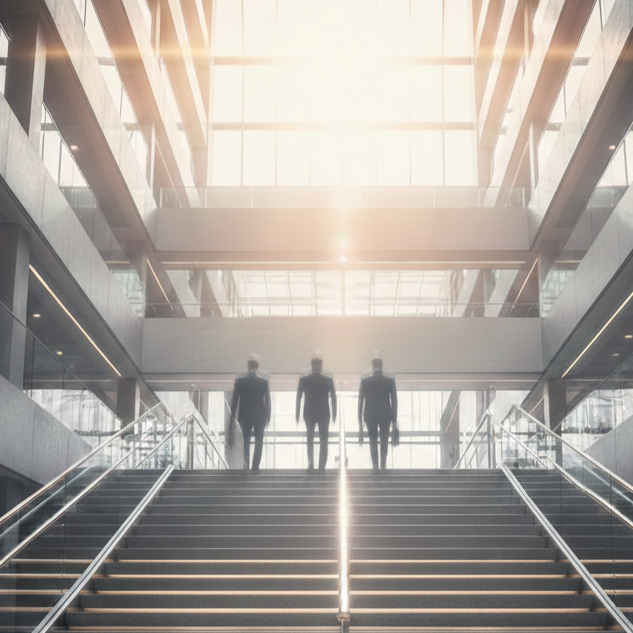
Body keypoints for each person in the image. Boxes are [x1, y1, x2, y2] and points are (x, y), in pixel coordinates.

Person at [296, 350, 337, 472]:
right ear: (321, 365)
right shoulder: (327, 380)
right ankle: (321, 466)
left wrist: (297, 414)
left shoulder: (304, 380)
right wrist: (334, 414)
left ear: (312, 364)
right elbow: (333, 398)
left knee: (310, 439)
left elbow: (298, 398)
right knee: (323, 440)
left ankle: (311, 464)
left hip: (309, 413)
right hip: (324, 413)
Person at [230, 354, 271, 474]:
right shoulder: (263, 382)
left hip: (245, 416)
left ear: (248, 366)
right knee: (259, 441)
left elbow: (234, 400)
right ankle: (255, 467)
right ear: (258, 367)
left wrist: (232, 417)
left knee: (246, 441)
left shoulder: (240, 381)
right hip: (260, 416)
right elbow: (267, 401)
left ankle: (246, 465)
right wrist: (268, 416)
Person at [358, 351, 398, 470]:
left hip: (370, 415)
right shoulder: (389, 381)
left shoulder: (365, 381)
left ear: (372, 365)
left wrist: (360, 421)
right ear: (381, 365)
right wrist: (394, 420)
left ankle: (375, 466)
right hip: (386, 415)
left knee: (373, 441)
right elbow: (394, 401)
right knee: (384, 441)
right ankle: (383, 465)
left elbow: (360, 401)